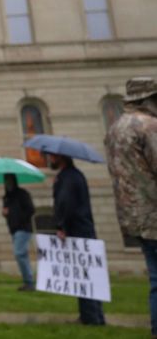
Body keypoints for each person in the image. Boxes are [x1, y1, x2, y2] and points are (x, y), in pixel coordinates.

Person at [105, 76, 157, 338]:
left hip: (132, 215)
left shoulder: (115, 128)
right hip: (154, 213)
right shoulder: (148, 126)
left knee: (155, 278)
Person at [49, 152, 105, 326]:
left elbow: (66, 203)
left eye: (52, 156)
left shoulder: (68, 178)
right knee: (87, 276)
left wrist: (61, 226)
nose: (49, 159)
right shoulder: (74, 176)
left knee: (84, 275)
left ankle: (91, 318)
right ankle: (94, 316)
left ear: (61, 157)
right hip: (84, 229)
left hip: (78, 231)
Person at [1, 173, 37, 291]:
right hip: (14, 229)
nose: (8, 183)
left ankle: (29, 282)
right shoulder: (7, 197)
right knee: (22, 255)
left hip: (23, 228)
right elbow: (7, 213)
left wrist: (18, 218)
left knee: (19, 253)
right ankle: (28, 281)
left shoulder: (22, 194)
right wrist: (6, 213)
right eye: (6, 180)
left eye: (9, 180)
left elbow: (31, 210)